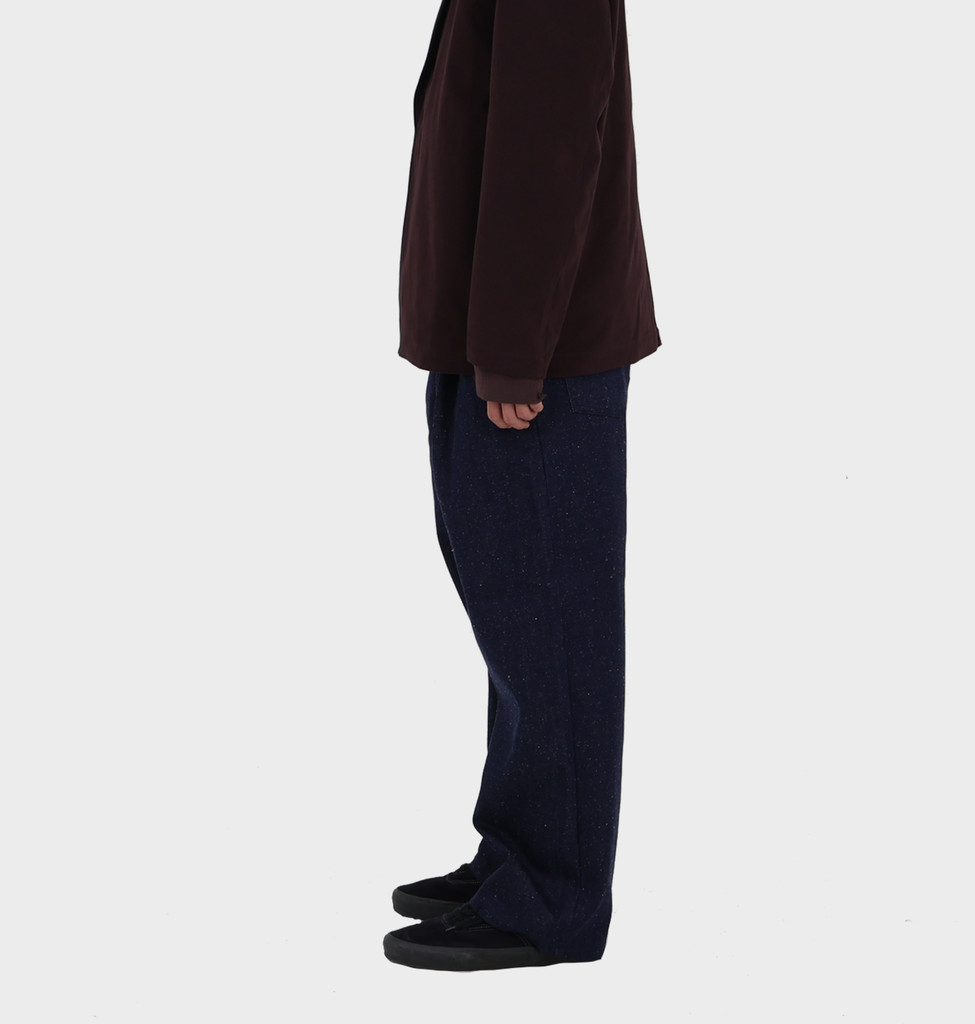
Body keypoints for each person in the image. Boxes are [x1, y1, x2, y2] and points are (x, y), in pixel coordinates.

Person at [384, 0, 662, 971]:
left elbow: (550, 133)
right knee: (516, 617)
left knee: (552, 623)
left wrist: (512, 351)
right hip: (487, 333)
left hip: (533, 351)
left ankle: (553, 895)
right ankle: (519, 853)